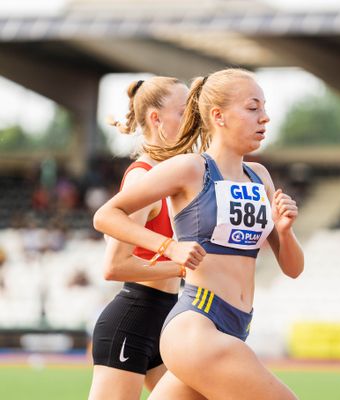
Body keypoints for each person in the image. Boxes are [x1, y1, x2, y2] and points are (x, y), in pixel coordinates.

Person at [94, 68, 304, 400]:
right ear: (218, 116)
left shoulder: (260, 176)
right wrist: (169, 247)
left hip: (235, 328)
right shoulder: (191, 169)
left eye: (264, 108)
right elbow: (106, 215)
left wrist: (285, 231)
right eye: (253, 108)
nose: (264, 118)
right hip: (196, 327)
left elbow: (293, 269)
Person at [88, 76, 190, 400]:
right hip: (132, 321)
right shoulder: (143, 178)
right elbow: (114, 266)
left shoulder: (173, 176)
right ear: (155, 119)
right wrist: (180, 267)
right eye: (184, 111)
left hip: (167, 321)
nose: (192, 120)